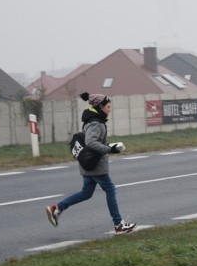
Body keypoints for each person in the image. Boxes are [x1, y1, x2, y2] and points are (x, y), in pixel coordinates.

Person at [46, 92, 137, 234]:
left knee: (86, 193)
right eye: (108, 107)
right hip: (95, 165)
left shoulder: (91, 119)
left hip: (88, 163)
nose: (109, 109)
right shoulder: (96, 122)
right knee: (110, 189)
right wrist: (109, 149)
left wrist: (108, 146)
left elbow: (93, 141)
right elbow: (90, 142)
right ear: (100, 107)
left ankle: (56, 209)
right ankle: (118, 224)